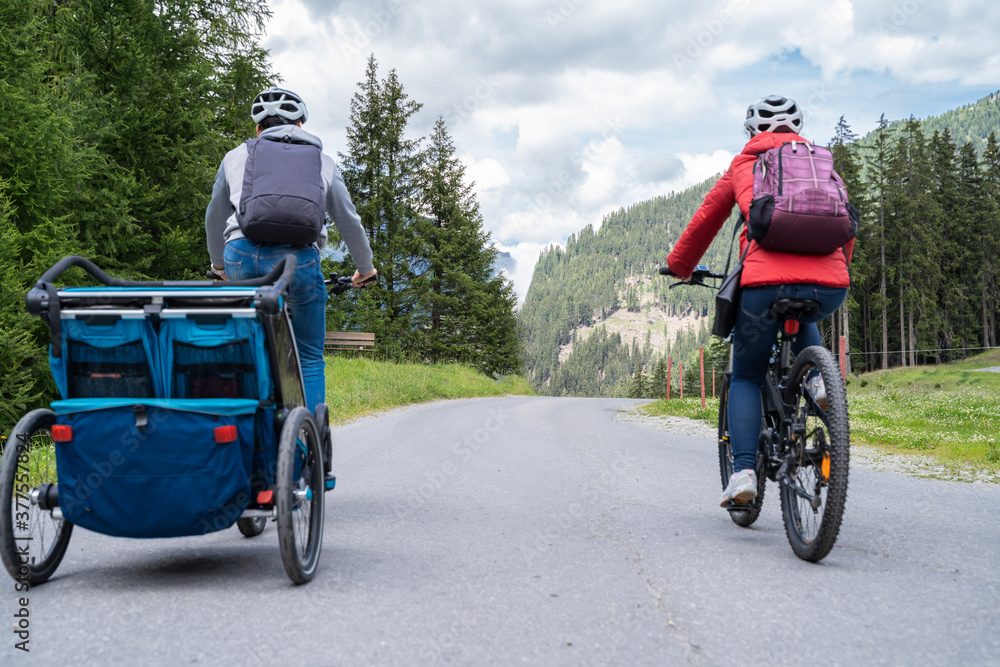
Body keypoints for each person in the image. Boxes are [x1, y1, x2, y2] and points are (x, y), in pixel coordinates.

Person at [666, 95, 853, 507]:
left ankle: (745, 474)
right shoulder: (821, 166)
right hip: (829, 284)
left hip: (764, 285)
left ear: (753, 131)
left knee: (747, 376)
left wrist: (680, 266)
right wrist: (838, 270)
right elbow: (845, 223)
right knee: (806, 310)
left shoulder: (743, 165)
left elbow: (705, 221)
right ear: (796, 129)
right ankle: (820, 380)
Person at [205, 87, 376, 426]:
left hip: (240, 256)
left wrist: (219, 266)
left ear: (258, 129)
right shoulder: (322, 162)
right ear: (300, 124)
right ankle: (311, 446)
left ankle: (249, 435)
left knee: (247, 352)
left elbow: (214, 214)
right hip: (299, 261)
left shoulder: (236, 156)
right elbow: (348, 220)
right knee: (309, 358)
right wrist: (364, 270)